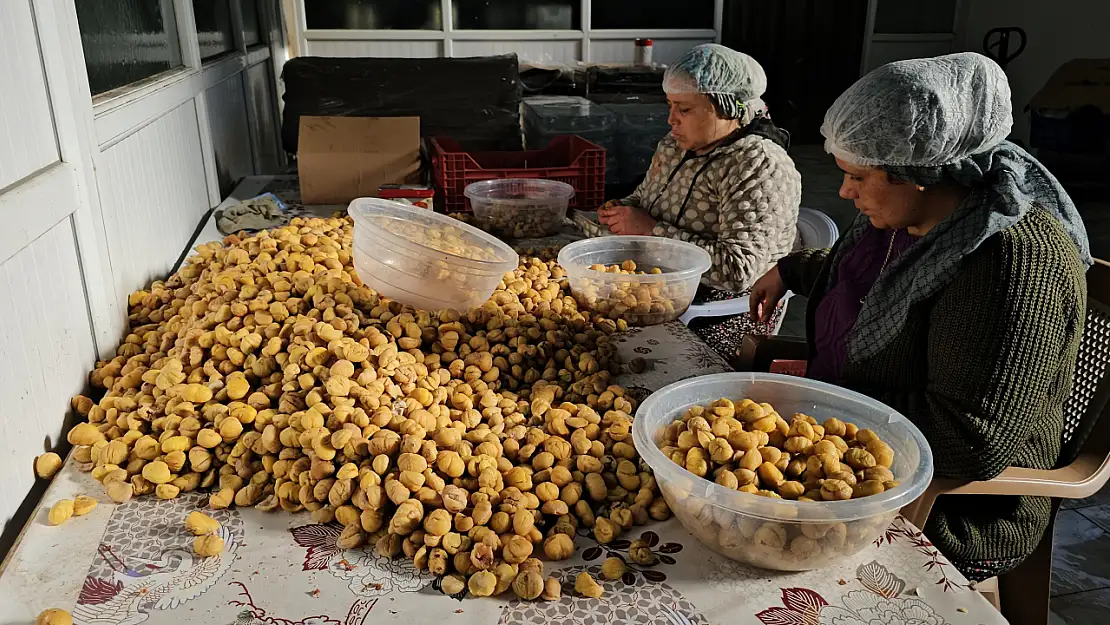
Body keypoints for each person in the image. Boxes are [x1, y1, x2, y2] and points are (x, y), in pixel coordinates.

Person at [749, 52, 1092, 581]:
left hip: (952, 504)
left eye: (857, 176)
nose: (843, 191)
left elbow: (970, 439)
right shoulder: (907, 219)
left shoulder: (1009, 263)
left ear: (925, 173)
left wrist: (808, 407)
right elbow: (877, 283)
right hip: (853, 438)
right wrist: (792, 269)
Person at [577, 43, 801, 363]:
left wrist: (652, 231)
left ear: (727, 108)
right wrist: (619, 210)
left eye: (684, 109)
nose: (671, 120)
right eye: (670, 106)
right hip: (654, 284)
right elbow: (646, 196)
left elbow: (739, 272)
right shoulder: (677, 145)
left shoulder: (758, 165)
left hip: (717, 315)